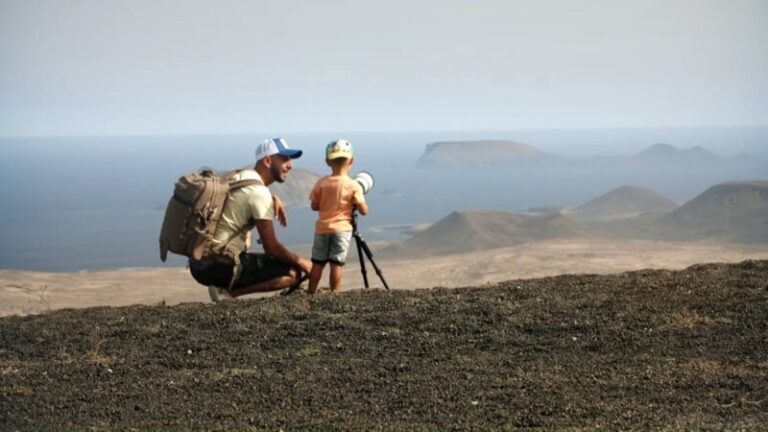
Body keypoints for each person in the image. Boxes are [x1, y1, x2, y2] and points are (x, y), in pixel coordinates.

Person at [189, 137, 313, 301]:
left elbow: (244, 199)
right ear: (268, 161)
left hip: (198, 264)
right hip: (221, 267)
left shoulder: (238, 176)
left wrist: (272, 197)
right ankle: (227, 294)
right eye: (284, 159)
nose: (290, 165)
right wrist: (303, 263)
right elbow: (272, 248)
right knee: (292, 273)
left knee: (246, 241)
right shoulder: (259, 193)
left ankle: (223, 287)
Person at [307, 139, 369, 294]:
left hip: (322, 229)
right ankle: (334, 294)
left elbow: (314, 206)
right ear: (352, 161)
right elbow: (363, 210)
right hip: (342, 230)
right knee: (336, 263)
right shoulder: (353, 185)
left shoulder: (321, 183)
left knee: (317, 263)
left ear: (328, 161)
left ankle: (310, 293)